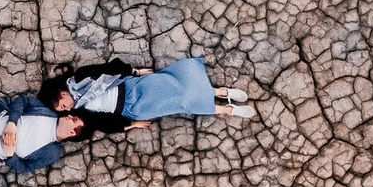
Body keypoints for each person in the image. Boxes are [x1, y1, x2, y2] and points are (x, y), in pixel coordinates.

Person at [39, 57, 254, 134]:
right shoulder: (80, 112)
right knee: (180, 102)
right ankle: (228, 109)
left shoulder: (81, 77)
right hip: (133, 108)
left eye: (63, 104)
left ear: (62, 93)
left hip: (132, 87)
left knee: (175, 84)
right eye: (63, 110)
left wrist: (136, 72)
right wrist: (131, 124)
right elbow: (102, 125)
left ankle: (221, 92)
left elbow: (107, 69)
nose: (68, 108)